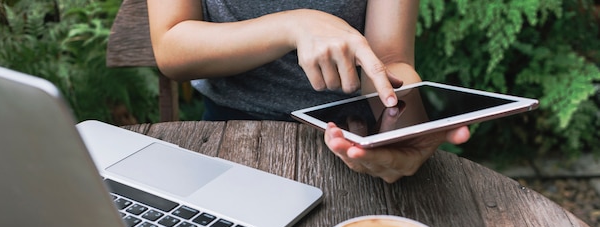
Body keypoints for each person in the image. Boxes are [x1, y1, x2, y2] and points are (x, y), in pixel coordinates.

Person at [147, 0, 470, 183]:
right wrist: (293, 26)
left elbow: (389, 59)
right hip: (230, 132)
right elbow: (172, 46)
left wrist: (401, 123)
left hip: (351, 136)